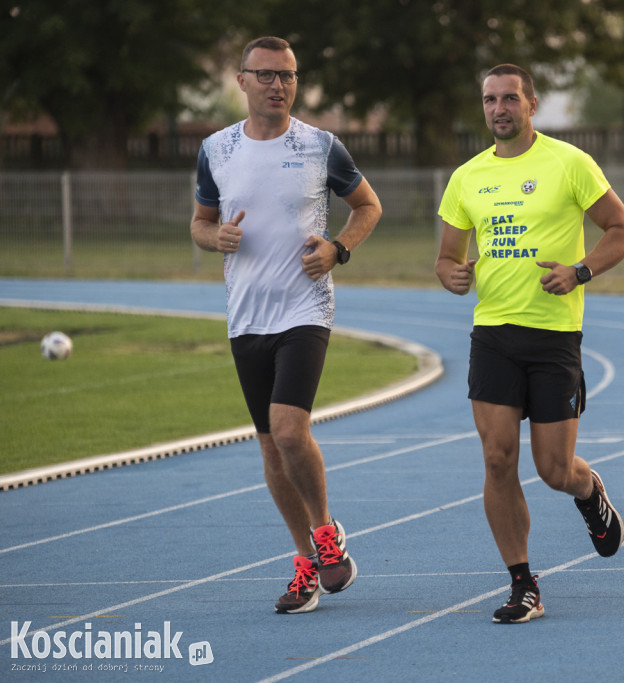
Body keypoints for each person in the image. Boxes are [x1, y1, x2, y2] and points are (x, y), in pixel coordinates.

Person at [435, 64, 624, 624]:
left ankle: (588, 488)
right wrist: (451, 273)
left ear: (531, 104)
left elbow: (623, 231)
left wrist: (580, 271)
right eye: (489, 100)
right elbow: (448, 257)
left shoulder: (569, 162)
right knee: (498, 458)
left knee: (554, 468)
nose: (498, 109)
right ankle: (523, 583)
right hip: (494, 334)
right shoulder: (466, 177)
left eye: (509, 99)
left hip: (553, 337)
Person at [190, 36, 382, 614]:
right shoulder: (216, 149)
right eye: (267, 75)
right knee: (272, 451)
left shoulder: (321, 146)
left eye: (289, 76)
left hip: (305, 309)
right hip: (246, 316)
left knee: (291, 431)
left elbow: (368, 207)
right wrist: (214, 237)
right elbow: (200, 223)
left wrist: (337, 249)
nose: (279, 85)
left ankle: (326, 532)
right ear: (242, 81)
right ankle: (305, 564)